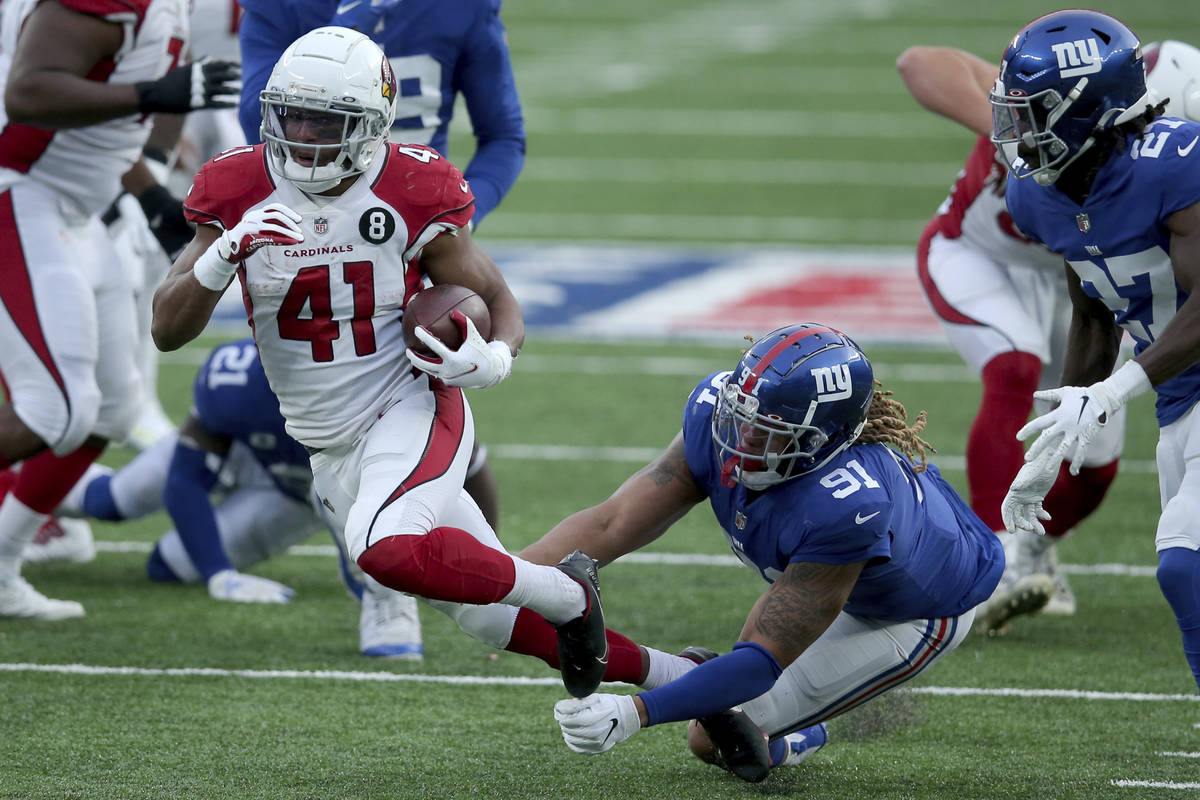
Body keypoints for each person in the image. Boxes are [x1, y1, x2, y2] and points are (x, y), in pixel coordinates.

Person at [150, 27, 623, 698]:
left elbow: (495, 298)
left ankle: (567, 593)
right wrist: (222, 254)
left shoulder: (412, 182)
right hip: (324, 439)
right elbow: (166, 330)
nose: (307, 135)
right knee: (488, 621)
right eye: (294, 115)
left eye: (328, 120)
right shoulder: (234, 186)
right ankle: (686, 681)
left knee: (387, 552)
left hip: (407, 403)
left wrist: (494, 356)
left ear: (371, 125)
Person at [523, 323, 1003, 779]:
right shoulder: (718, 419)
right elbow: (613, 522)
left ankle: (800, 738)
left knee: (711, 737)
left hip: (913, 611)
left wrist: (634, 713)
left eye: (771, 430)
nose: (743, 438)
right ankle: (727, 693)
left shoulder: (848, 507)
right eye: (742, 414)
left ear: (825, 442)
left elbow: (758, 659)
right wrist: (512, 577)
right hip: (840, 574)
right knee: (716, 701)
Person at [0, 0, 239, 620]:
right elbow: (28, 92)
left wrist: (153, 194)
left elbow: (115, 112)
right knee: (56, 408)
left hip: (81, 205)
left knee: (109, 408)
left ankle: (1, 564)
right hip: (23, 192)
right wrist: (155, 89)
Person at [994, 10, 1200, 692]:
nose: (1016, 133)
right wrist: (1047, 453)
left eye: (1032, 114)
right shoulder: (1038, 195)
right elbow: (1092, 312)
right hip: (1178, 403)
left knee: (1184, 566)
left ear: (1088, 111)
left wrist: (1112, 393)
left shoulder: (1176, 162)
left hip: (1182, 388)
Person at [34, 337, 425, 659]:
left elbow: (467, 463)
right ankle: (23, 485)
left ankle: (384, 604)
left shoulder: (379, 382)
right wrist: (220, 575)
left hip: (294, 492)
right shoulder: (237, 378)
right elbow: (183, 481)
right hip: (239, 449)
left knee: (169, 565)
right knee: (113, 501)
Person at [235, 0, 524, 228]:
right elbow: (257, 121)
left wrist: (462, 219)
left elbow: (503, 136)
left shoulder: (460, 7)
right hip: (305, 214)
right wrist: (343, 33)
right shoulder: (281, 6)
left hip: (417, 217)